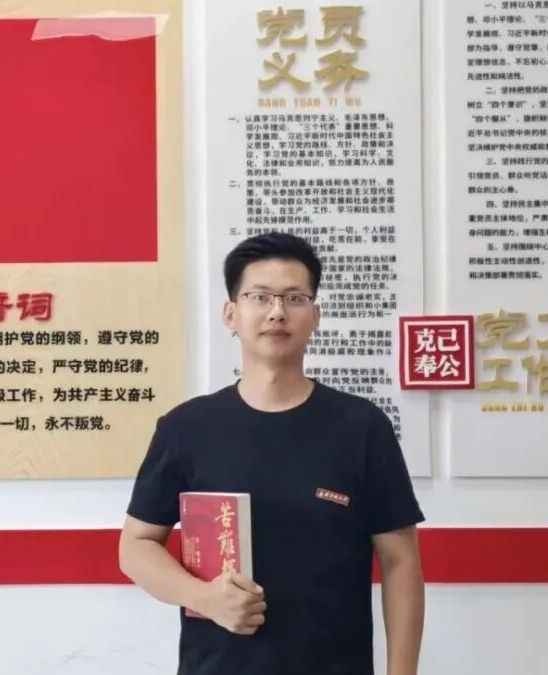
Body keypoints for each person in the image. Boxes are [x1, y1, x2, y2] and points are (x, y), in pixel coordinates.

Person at [119, 231, 424, 675]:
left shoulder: (361, 427)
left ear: (316, 316)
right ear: (231, 313)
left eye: (295, 298)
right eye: (259, 296)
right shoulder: (186, 428)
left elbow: (401, 562)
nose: (277, 311)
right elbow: (135, 546)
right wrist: (204, 597)